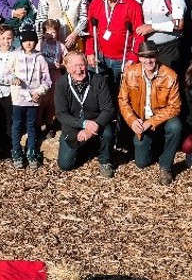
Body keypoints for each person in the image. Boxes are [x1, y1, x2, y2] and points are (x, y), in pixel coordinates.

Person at [117, 40, 183, 185]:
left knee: (176, 126)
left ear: (157, 56)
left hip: (161, 120)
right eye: (145, 57)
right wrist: (132, 120)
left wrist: (151, 122)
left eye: (152, 56)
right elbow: (123, 100)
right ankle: (156, 145)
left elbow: (175, 106)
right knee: (142, 163)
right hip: (140, 120)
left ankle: (166, 167)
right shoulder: (130, 73)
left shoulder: (170, 76)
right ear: (140, 58)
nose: (149, 60)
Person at [53, 51, 116, 176]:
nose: (79, 70)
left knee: (108, 132)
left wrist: (92, 127)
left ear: (86, 65)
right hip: (74, 125)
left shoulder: (99, 80)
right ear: (67, 67)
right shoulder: (61, 83)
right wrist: (82, 124)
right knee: (65, 165)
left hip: (97, 122)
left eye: (82, 65)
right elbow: (61, 114)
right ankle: (86, 148)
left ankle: (105, 161)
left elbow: (108, 109)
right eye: (75, 66)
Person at [7, 29, 52, 169]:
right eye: (25, 40)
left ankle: (31, 151)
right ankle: (16, 150)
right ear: (21, 42)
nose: (28, 43)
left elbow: (47, 80)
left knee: (32, 125)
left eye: (32, 40)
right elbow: (7, 72)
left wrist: (39, 91)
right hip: (18, 98)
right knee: (17, 125)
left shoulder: (40, 58)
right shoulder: (15, 55)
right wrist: (13, 78)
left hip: (34, 98)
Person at [86, 0, 143, 78]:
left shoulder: (132, 5)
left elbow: (139, 35)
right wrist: (90, 52)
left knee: (120, 91)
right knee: (98, 88)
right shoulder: (96, 3)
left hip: (123, 59)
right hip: (100, 57)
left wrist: (133, 58)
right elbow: (90, 31)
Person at [135, 0, 186, 71]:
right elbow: (129, 6)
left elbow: (179, 23)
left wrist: (152, 27)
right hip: (148, 50)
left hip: (169, 49)